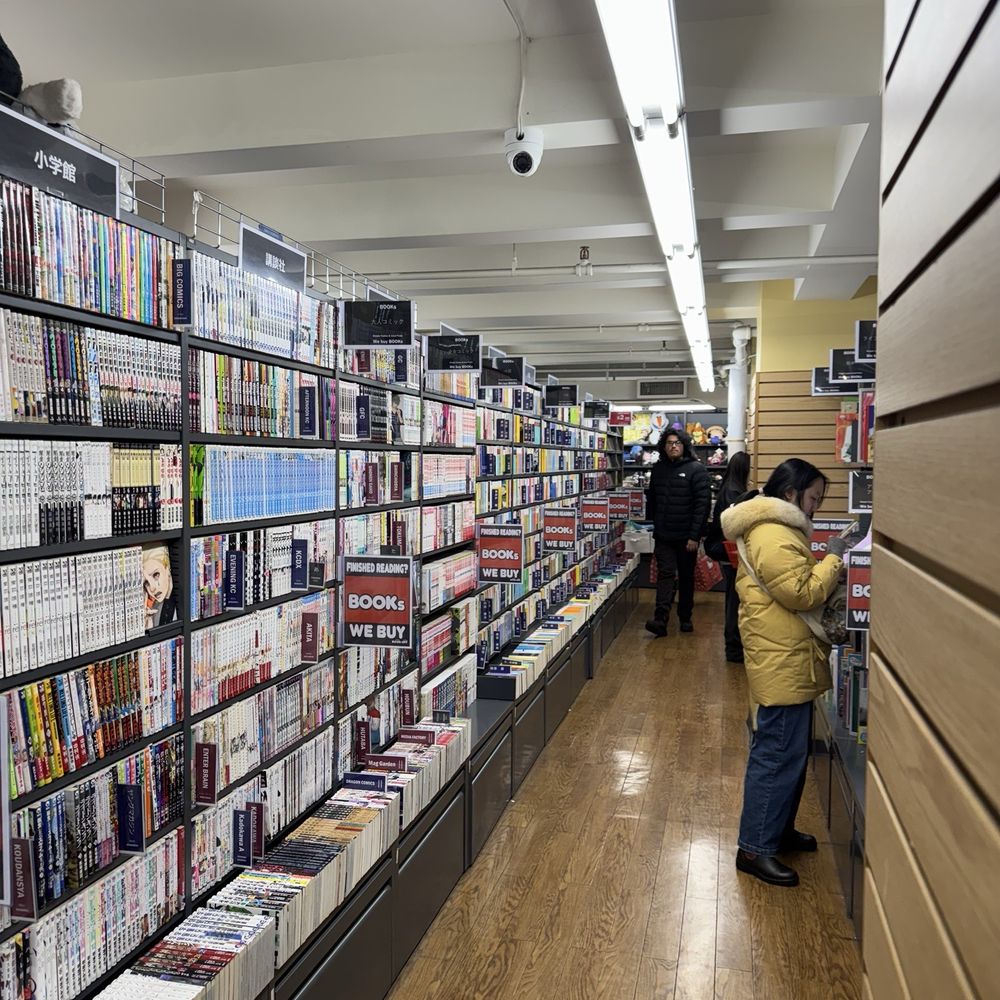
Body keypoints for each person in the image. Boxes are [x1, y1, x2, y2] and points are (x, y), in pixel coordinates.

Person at [720, 458, 850, 887]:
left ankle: (775, 830)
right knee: (775, 754)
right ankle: (754, 847)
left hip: (787, 654)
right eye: (814, 498)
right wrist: (833, 559)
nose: (816, 507)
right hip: (781, 659)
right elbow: (801, 592)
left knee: (788, 755)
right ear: (791, 495)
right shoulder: (774, 534)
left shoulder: (777, 530)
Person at [644, 428, 711, 636]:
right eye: (669, 443)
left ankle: (685, 617)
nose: (673, 446)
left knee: (685, 577)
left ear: (684, 446)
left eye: (677, 443)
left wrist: (695, 536)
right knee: (665, 575)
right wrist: (653, 525)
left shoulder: (697, 470)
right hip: (663, 535)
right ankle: (660, 619)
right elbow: (652, 500)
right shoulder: (658, 469)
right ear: (664, 447)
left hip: (686, 538)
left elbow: (703, 506)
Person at [704, 451, 752, 663]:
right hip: (729, 550)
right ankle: (733, 648)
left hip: (722, 548)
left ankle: (733, 646)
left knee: (733, 598)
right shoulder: (735, 491)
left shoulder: (729, 487)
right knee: (734, 599)